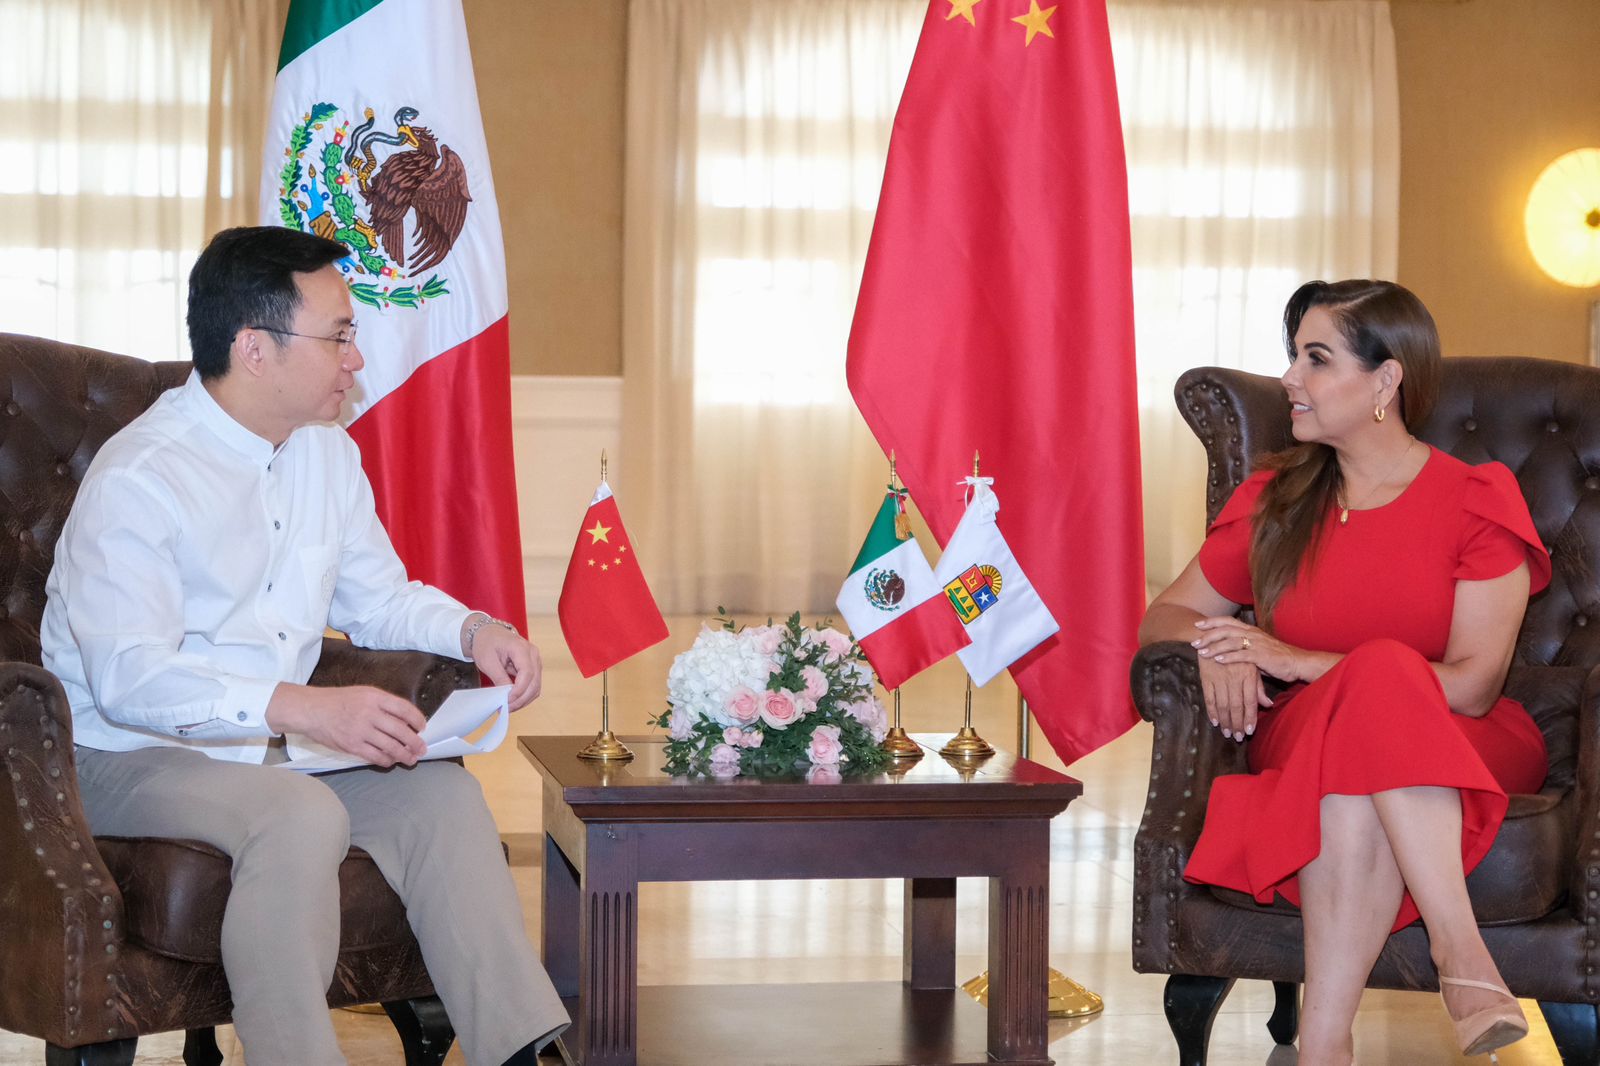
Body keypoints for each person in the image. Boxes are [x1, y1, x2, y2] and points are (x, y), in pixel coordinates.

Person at [41, 226, 569, 1066]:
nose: (356, 359)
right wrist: (305, 708)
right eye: (340, 335)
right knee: (297, 814)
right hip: (120, 755)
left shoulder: (326, 452)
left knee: (441, 798)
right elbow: (129, 678)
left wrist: (476, 629)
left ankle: (518, 1050)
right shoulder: (141, 477)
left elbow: (379, 598)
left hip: (264, 751)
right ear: (254, 348)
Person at [1138, 280, 1548, 1066]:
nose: (1290, 378)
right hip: (1307, 736)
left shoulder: (1476, 499)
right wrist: (1217, 644)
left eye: (1316, 359)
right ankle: (1461, 960)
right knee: (1357, 744)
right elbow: (1165, 618)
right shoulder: (1276, 499)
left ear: (1386, 381)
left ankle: (1326, 1045)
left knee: (1381, 687)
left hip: (1458, 738)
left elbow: (1473, 686)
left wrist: (1300, 660)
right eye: (1294, 356)